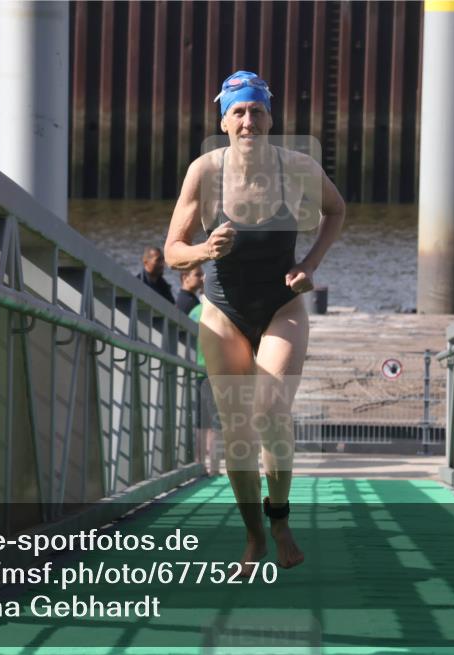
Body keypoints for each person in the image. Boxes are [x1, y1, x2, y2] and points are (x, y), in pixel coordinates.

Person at [163, 70, 345, 572]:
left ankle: (280, 519)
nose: (248, 121)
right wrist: (203, 249)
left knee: (269, 411)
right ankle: (254, 537)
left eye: (256, 111)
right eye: (238, 112)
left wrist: (309, 265)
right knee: (237, 430)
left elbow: (337, 210)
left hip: (281, 307)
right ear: (224, 121)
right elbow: (172, 250)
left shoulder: (299, 168)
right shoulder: (204, 172)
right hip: (223, 312)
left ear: (271, 117)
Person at [188, 295, 221, 475]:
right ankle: (214, 467)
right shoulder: (220, 311)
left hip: (197, 369)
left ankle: (199, 464)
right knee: (217, 422)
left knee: (201, 422)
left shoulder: (194, 312)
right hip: (217, 371)